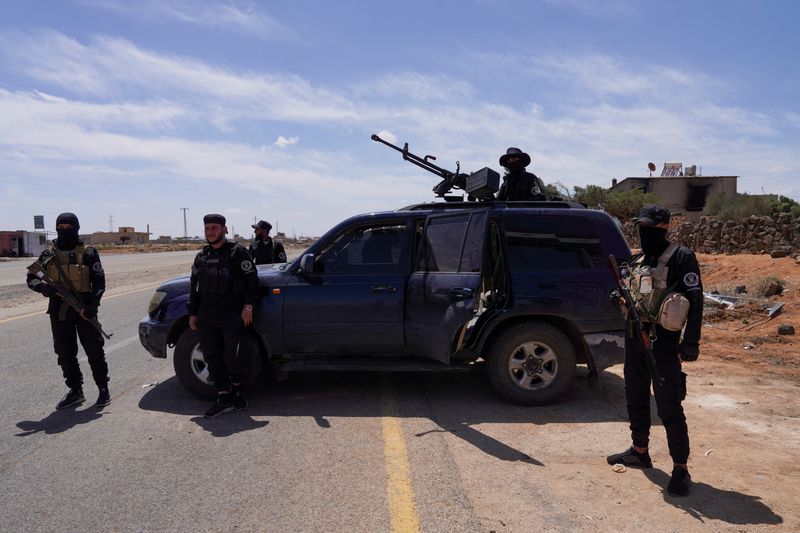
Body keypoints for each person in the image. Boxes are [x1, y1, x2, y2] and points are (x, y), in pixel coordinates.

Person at [606, 205, 703, 496]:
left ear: (663, 227)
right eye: (642, 227)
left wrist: (691, 341)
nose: (644, 232)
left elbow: (696, 300)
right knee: (635, 396)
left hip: (663, 343)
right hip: (634, 337)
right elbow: (631, 290)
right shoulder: (638, 259)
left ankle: (681, 468)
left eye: (650, 228)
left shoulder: (681, 257)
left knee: (669, 404)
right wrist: (617, 295)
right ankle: (639, 451)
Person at [26, 212, 111, 409]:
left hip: (83, 308)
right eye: (60, 227)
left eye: (68, 228)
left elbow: (99, 282)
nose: (64, 231)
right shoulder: (48, 255)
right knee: (64, 352)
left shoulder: (88, 253)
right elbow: (32, 278)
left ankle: (103, 388)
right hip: (59, 310)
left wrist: (93, 306)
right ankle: (75, 391)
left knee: (94, 350)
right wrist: (43, 288)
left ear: (77, 229)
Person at [188, 214, 259, 418]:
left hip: (232, 313)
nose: (210, 232)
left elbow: (252, 280)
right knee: (212, 356)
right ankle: (223, 397)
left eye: (215, 228)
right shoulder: (201, 257)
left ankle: (237, 391)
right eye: (207, 228)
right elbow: (194, 287)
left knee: (234, 356)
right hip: (207, 314)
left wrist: (248, 306)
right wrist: (192, 313)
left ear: (224, 229)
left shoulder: (238, 252)